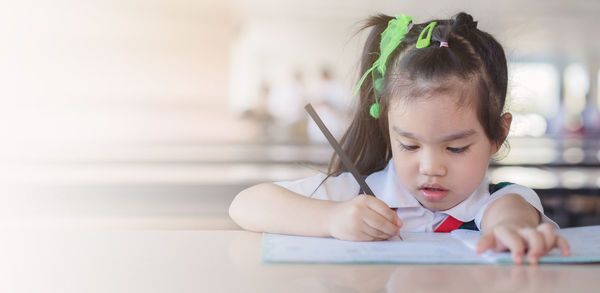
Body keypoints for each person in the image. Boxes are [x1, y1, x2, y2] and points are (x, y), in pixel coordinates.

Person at [229, 12, 571, 264]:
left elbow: (511, 215)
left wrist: (512, 231)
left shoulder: (502, 200)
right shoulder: (360, 195)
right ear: (388, 129)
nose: (431, 167)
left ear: (498, 134)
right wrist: (332, 219)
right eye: (410, 145)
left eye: (455, 147)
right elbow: (244, 205)